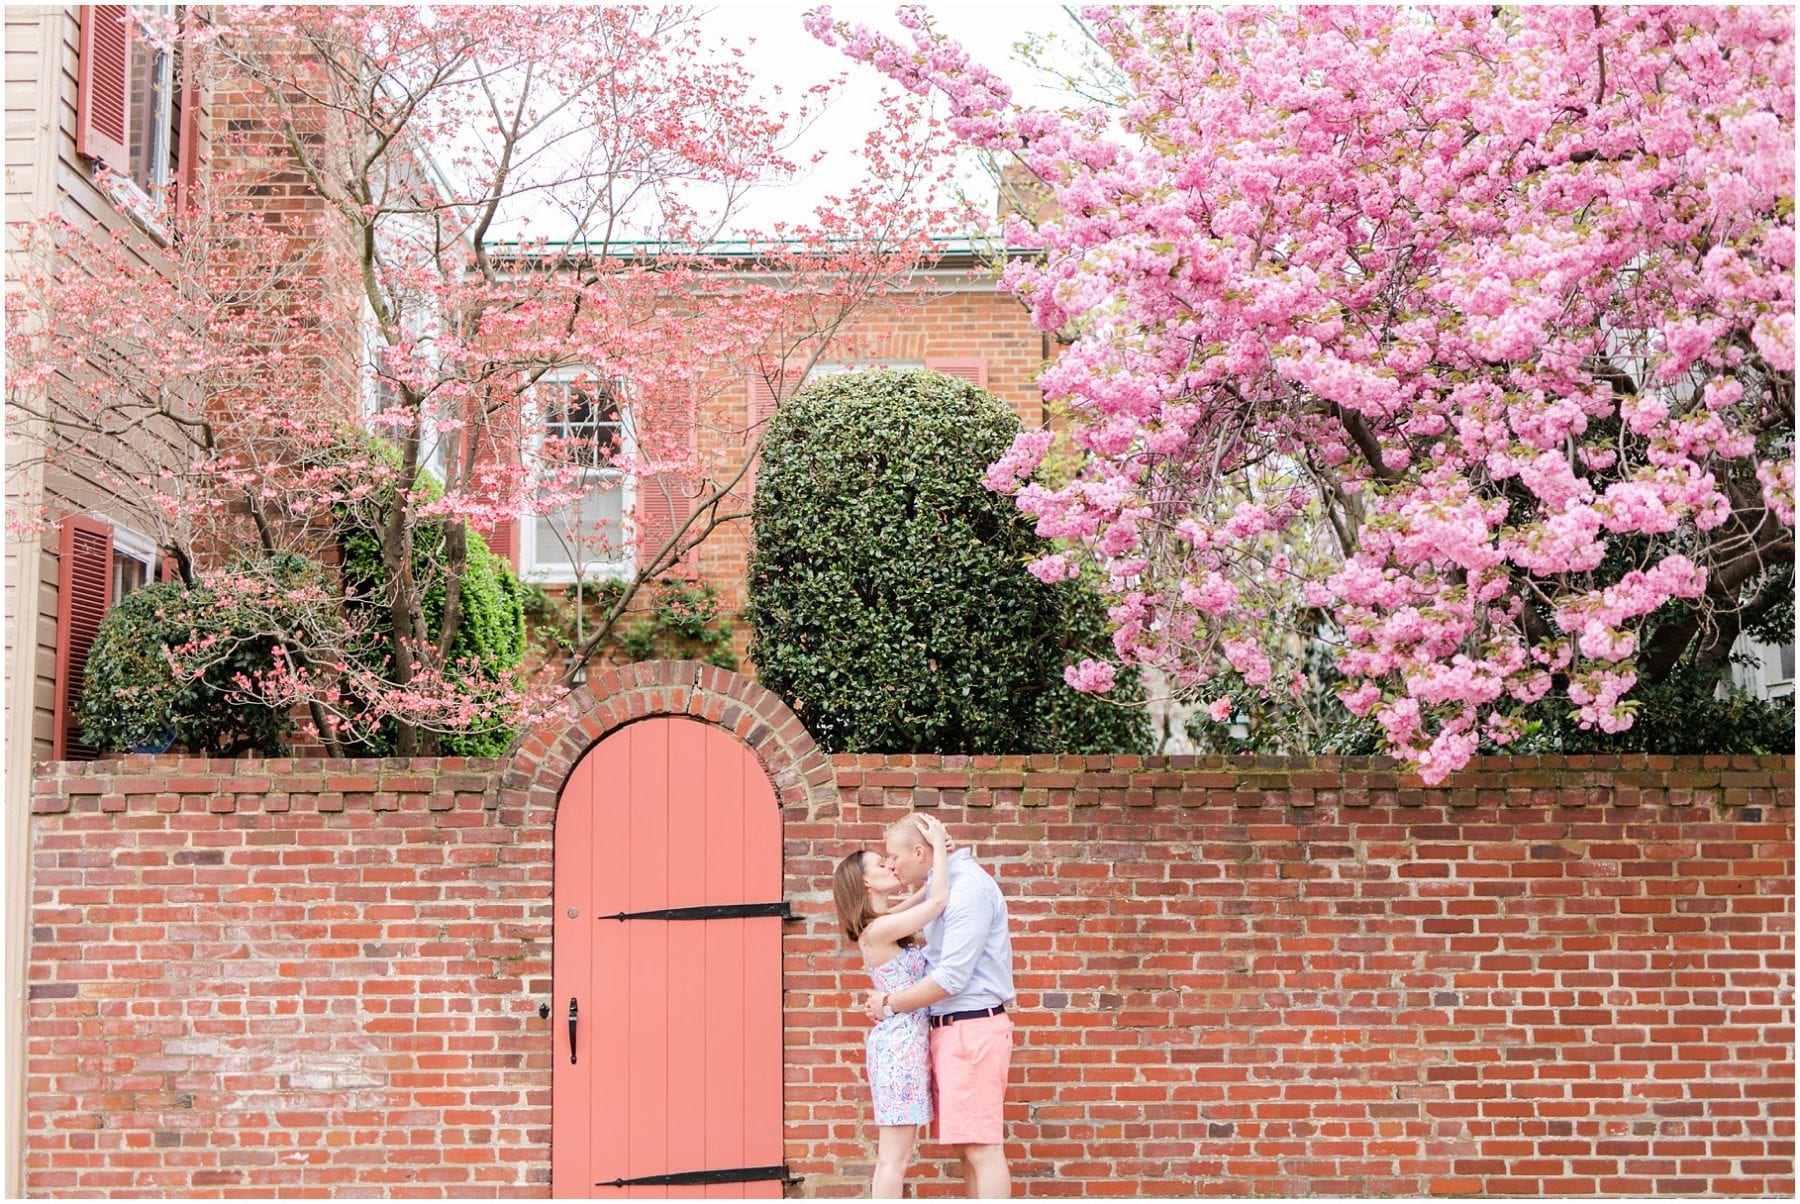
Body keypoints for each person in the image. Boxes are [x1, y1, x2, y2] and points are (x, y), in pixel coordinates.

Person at [866, 814, 1016, 1199]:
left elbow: (951, 977)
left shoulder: (965, 890)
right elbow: (924, 903)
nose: (892, 865)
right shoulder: (942, 882)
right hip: (952, 1032)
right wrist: (939, 859)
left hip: (970, 1031)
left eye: (892, 856)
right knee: (969, 1148)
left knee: (982, 1149)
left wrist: (889, 1004)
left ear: (918, 851)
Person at [832, 813, 952, 1199]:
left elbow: (920, 898)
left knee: (896, 1157)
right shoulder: (881, 929)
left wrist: (936, 859)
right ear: (867, 881)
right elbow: (937, 901)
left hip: (902, 1043)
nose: (890, 865)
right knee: (894, 1160)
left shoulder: (883, 921)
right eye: (881, 864)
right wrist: (937, 852)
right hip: (898, 1048)